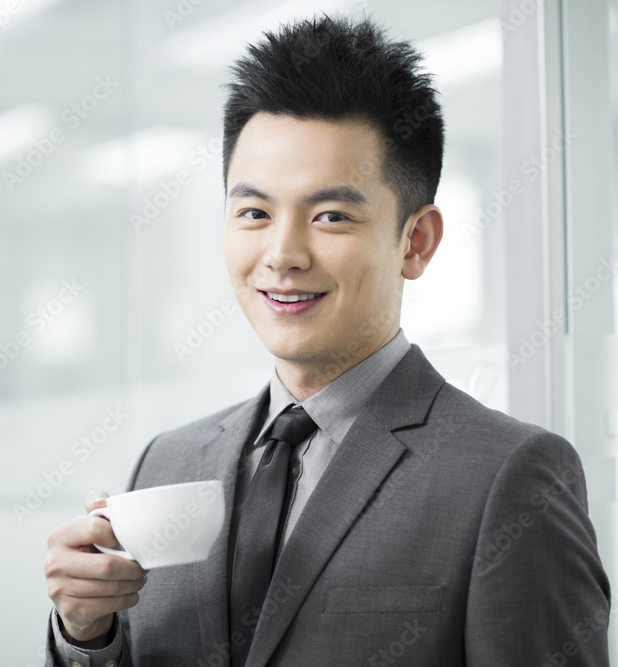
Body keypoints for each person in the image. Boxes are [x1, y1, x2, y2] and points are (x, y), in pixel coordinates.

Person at [43, 14, 610, 667]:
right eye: (254, 212)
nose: (282, 254)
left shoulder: (506, 477)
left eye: (330, 216)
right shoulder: (167, 465)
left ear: (415, 240)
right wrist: (87, 633)